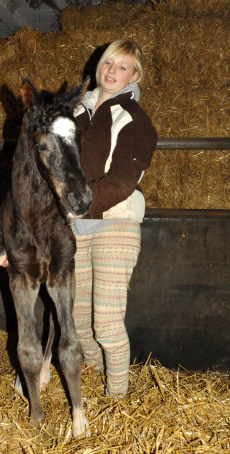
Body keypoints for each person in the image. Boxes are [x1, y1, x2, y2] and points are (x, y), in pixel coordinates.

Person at [71, 40, 157, 396]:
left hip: (115, 223)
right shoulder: (75, 112)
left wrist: (79, 202)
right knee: (76, 321)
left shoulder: (135, 120)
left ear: (134, 76)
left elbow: (123, 180)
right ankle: (92, 377)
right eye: (108, 63)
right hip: (75, 225)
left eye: (122, 67)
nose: (111, 72)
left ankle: (117, 401)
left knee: (106, 324)